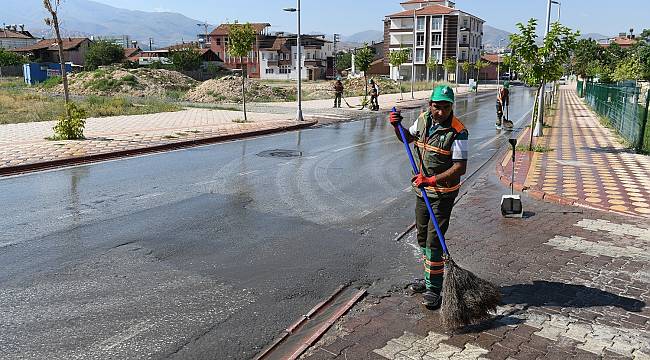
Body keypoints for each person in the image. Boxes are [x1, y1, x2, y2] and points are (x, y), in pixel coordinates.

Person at [388, 85, 468, 309]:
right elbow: (406, 138)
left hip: (442, 194)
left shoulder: (459, 131)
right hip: (422, 192)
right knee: (422, 237)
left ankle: (434, 289)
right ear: (429, 105)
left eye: (445, 107)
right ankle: (428, 279)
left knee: (434, 242)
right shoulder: (423, 120)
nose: (440, 112)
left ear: (452, 106)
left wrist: (432, 180)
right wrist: (397, 126)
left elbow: (460, 167)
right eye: (436, 107)